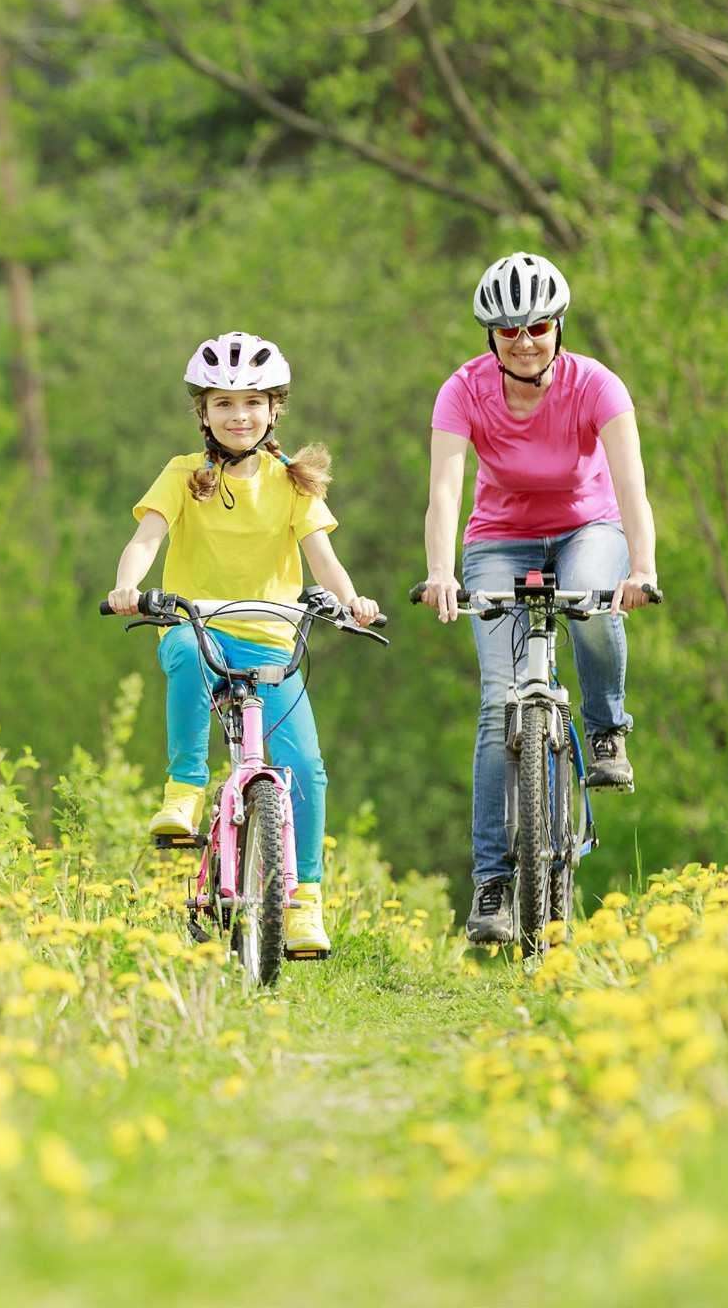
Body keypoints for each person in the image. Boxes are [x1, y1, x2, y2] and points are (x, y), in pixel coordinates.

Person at [107, 331, 378, 955]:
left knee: (306, 767)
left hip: (272, 641)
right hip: (198, 626)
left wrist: (353, 601)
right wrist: (129, 586)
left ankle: (304, 900)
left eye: (252, 402)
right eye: (223, 404)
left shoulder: (294, 482)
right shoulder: (182, 475)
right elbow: (145, 540)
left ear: (275, 408)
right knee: (181, 657)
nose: (239, 416)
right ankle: (184, 789)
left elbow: (324, 561)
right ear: (202, 413)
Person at [420, 253, 658, 944]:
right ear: (488, 336)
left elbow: (631, 483)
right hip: (499, 539)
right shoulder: (462, 392)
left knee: (593, 608)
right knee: (499, 704)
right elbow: (442, 491)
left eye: (538, 326)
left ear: (558, 326)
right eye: (506, 330)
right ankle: (492, 884)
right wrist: (440, 571)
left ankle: (606, 725)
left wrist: (640, 566)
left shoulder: (596, 385)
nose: (523, 340)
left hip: (587, 527)